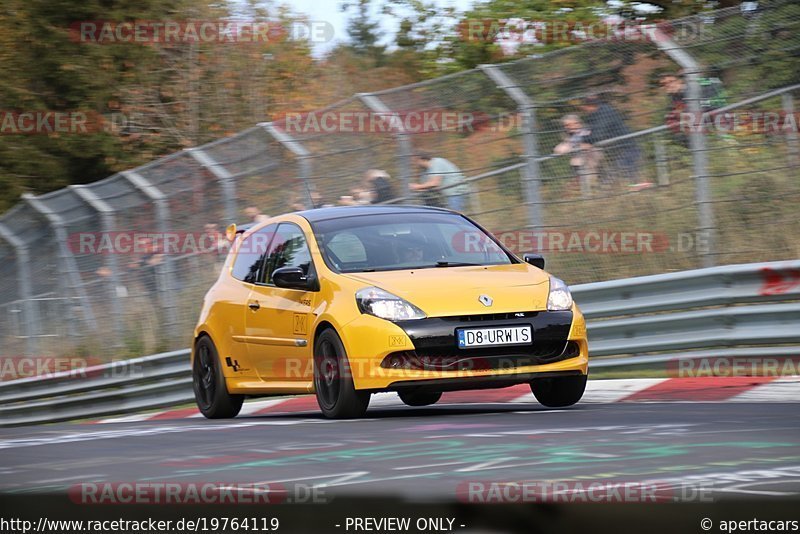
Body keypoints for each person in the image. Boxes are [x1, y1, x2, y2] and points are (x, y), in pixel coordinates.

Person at [578, 95, 651, 190]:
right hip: (617, 151)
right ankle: (639, 192)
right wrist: (585, 139)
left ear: (589, 106)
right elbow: (588, 132)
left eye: (584, 107)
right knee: (620, 178)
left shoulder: (604, 113)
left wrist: (586, 140)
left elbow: (598, 134)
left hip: (627, 148)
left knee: (627, 177)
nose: (583, 110)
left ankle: (648, 190)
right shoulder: (594, 115)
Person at [553, 114, 601, 193]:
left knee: (590, 183)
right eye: (567, 125)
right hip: (579, 164)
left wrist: (569, 147)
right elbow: (559, 149)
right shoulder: (570, 136)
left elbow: (585, 145)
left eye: (572, 124)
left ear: (578, 123)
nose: (569, 127)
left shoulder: (585, 132)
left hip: (590, 161)